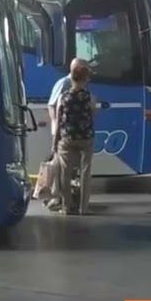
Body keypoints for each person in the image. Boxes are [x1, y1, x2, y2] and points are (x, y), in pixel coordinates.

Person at [45, 58, 87, 211]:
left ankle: (65, 199)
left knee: (67, 168)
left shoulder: (80, 87)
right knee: (60, 168)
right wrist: (57, 124)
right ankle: (57, 198)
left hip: (69, 132)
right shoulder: (64, 83)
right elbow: (51, 105)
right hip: (62, 132)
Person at [55, 63, 96, 215]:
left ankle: (67, 206)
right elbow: (93, 115)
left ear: (71, 78)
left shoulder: (63, 97)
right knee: (85, 171)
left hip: (67, 138)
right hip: (86, 138)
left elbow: (59, 121)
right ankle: (83, 208)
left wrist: (55, 143)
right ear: (85, 80)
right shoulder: (90, 97)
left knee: (65, 172)